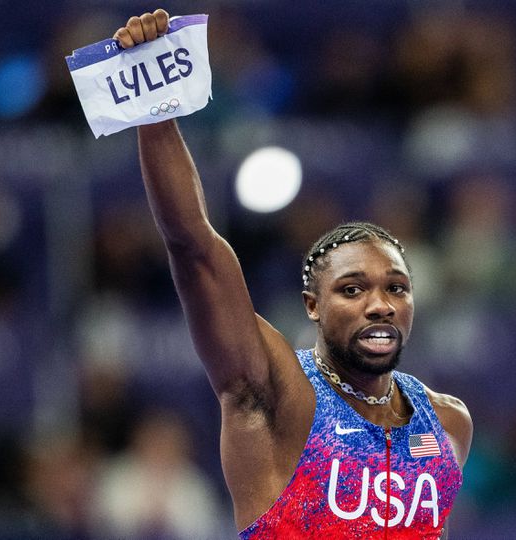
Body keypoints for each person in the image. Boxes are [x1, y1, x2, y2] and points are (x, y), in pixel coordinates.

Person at [110, 9, 472, 538]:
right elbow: (193, 247)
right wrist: (155, 115)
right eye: (353, 289)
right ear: (312, 305)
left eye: (396, 287)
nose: (380, 304)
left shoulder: (448, 424)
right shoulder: (274, 391)